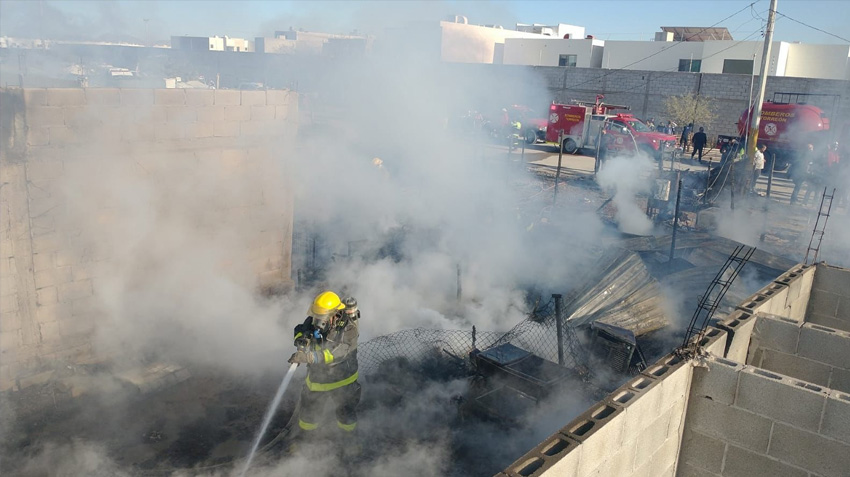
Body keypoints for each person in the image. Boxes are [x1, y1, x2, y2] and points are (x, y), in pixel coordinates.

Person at [289, 291, 361, 441]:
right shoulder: (314, 319)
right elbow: (300, 328)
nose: (317, 321)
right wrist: (301, 339)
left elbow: (336, 353)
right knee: (308, 415)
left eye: (321, 317)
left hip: (343, 382)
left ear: (334, 314)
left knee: (345, 415)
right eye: (317, 315)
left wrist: (309, 357)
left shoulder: (348, 329)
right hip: (317, 381)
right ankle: (305, 442)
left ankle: (350, 442)